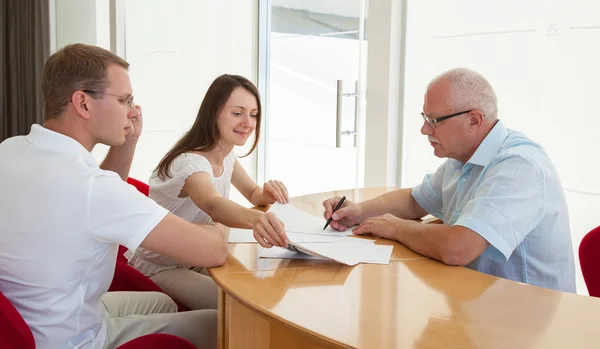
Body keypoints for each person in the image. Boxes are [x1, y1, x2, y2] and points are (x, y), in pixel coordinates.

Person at [0, 43, 228, 349]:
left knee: (161, 302)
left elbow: (100, 200)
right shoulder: (92, 188)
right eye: (123, 100)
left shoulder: (10, 149)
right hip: (72, 339)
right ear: (82, 103)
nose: (132, 111)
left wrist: (126, 142)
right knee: (218, 322)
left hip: (31, 317)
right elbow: (213, 251)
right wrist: (218, 209)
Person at [323, 67, 576, 292]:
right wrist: (358, 212)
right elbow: (414, 201)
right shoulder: (463, 157)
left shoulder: (519, 166)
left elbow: (458, 248)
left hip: (527, 323)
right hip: (479, 306)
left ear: (474, 120)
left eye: (434, 121)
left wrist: (396, 227)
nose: (424, 130)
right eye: (424, 118)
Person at [127, 74, 290, 310]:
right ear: (214, 113)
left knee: (256, 286)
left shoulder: (225, 153)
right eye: (237, 113)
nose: (248, 122)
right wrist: (257, 219)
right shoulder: (191, 163)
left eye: (253, 114)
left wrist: (267, 193)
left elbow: (253, 193)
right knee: (240, 304)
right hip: (161, 266)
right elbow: (212, 203)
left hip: (194, 254)